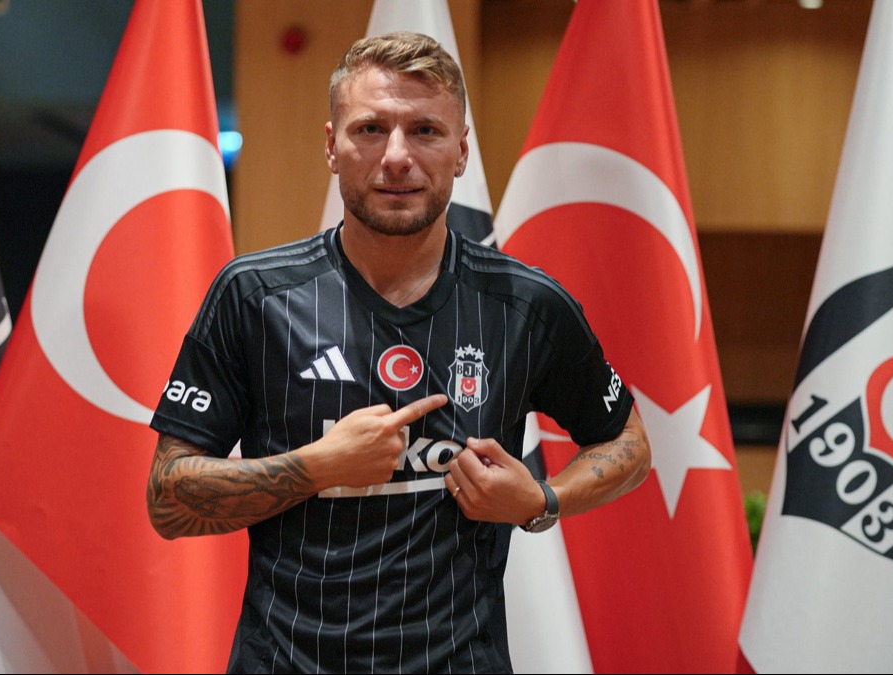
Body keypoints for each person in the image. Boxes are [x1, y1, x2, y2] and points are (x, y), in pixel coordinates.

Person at [146, 30, 651, 674]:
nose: (396, 157)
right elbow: (168, 500)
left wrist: (540, 501)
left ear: (461, 150)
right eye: (369, 129)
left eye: (425, 131)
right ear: (332, 146)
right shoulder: (253, 296)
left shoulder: (526, 305)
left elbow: (629, 444)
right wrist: (318, 466)